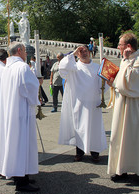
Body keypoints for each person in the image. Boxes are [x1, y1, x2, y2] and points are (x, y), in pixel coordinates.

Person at [0, 42, 40, 192]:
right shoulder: (22, 67)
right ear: (19, 50)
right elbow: (28, 87)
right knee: (22, 144)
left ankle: (19, 173)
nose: (26, 54)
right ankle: (22, 181)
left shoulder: (6, 68)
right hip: (21, 111)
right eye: (25, 51)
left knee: (14, 143)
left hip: (9, 111)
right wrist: (37, 84)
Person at [58, 45, 107, 162]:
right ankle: (79, 152)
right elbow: (62, 68)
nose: (83, 53)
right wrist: (74, 53)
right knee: (80, 128)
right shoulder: (74, 67)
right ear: (77, 54)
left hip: (94, 102)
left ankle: (95, 152)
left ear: (89, 52)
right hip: (79, 103)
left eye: (85, 51)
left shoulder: (97, 67)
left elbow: (103, 84)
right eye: (81, 52)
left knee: (94, 128)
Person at [107, 32, 139, 182]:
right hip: (122, 105)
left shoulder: (137, 60)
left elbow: (130, 82)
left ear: (128, 47)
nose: (118, 48)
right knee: (118, 137)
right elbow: (120, 82)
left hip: (133, 107)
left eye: (120, 45)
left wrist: (125, 61)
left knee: (132, 139)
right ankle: (121, 169)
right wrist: (112, 82)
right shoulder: (126, 60)